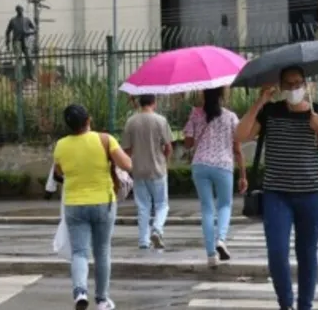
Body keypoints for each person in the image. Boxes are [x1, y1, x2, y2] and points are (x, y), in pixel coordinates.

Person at [236, 65, 318, 310]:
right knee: (277, 253)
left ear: (306, 84)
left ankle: (305, 305)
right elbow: (240, 135)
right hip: (277, 195)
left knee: (307, 254)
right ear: (281, 87)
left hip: (312, 194)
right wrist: (260, 101)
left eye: (298, 83)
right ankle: (286, 304)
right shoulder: (271, 112)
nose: (294, 88)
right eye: (289, 84)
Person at [53, 104, 132, 310]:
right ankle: (102, 300)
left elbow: (59, 172)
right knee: (102, 251)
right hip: (103, 202)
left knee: (79, 252)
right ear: (89, 120)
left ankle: (80, 292)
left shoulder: (61, 145)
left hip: (74, 204)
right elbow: (127, 165)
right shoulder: (105, 139)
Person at [184, 87, 248, 268]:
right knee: (224, 205)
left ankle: (211, 254)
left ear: (203, 94)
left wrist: (191, 128)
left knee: (206, 209)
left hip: (200, 165)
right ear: (222, 95)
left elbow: (188, 144)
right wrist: (243, 175)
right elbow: (237, 149)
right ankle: (221, 239)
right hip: (223, 165)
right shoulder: (231, 117)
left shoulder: (196, 114)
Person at [122, 94, 174, 250]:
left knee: (143, 206)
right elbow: (168, 147)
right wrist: (164, 159)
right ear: (154, 103)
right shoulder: (161, 121)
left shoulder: (131, 122)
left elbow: (127, 149)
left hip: (138, 169)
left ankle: (143, 241)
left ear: (140, 103)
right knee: (162, 205)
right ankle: (157, 229)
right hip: (157, 169)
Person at [4, 4, 36, 76]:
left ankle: (31, 74)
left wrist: (29, 33)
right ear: (16, 11)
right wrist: (7, 43)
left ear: (22, 10)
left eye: (21, 9)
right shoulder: (13, 20)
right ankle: (19, 77)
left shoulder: (27, 20)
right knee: (18, 60)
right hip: (16, 41)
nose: (20, 11)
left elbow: (34, 30)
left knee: (29, 58)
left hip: (26, 41)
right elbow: (7, 32)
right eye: (18, 9)